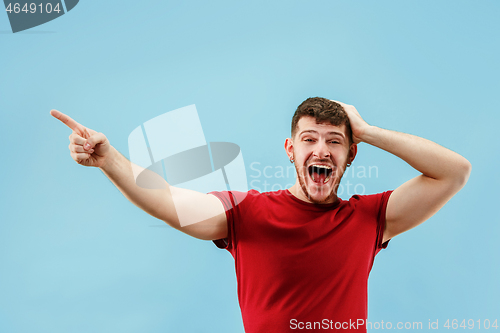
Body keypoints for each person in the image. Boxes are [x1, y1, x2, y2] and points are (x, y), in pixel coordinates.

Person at [51, 97, 471, 332]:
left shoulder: (369, 218)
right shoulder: (247, 212)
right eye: (309, 140)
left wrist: (368, 130)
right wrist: (110, 160)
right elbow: (171, 204)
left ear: (350, 155)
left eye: (335, 142)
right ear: (291, 151)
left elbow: (454, 172)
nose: (321, 150)